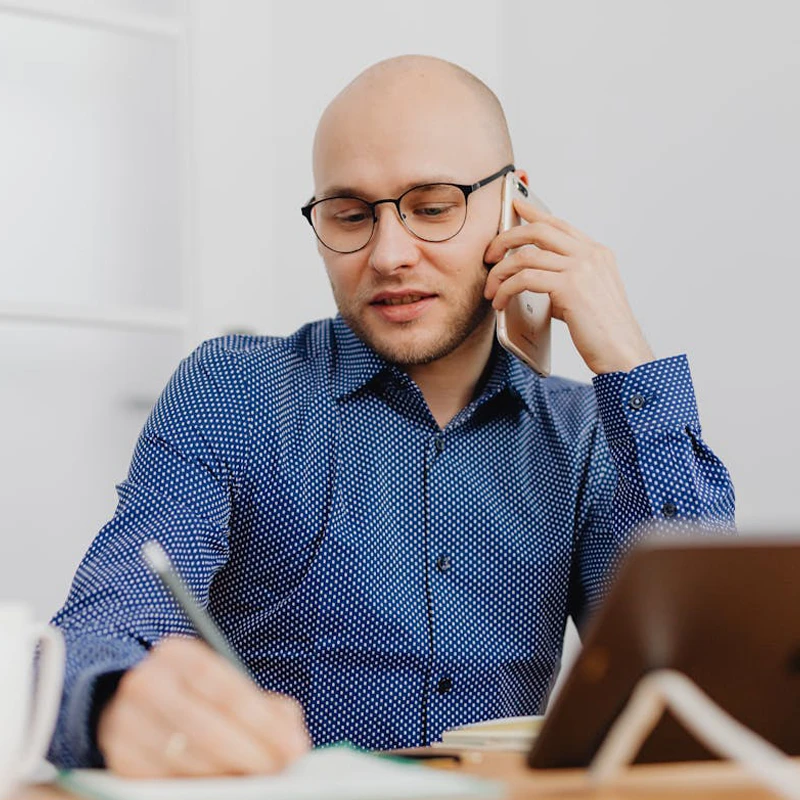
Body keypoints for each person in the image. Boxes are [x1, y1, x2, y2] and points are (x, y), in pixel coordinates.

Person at [47, 55, 735, 777]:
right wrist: (116, 701)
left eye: (433, 207)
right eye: (350, 215)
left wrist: (628, 361)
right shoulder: (234, 392)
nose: (390, 255)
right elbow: (102, 627)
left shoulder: (589, 432)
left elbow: (701, 689)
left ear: (515, 207)